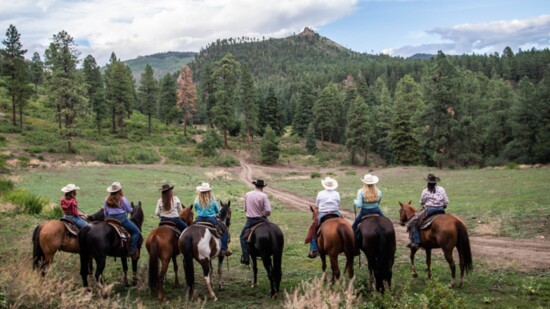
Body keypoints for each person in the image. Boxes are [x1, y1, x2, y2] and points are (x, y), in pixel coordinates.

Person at [407, 173, 449, 249]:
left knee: (413, 222)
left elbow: (422, 202)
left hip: (430, 210)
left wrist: (424, 204)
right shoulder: (442, 189)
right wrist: (443, 205)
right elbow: (446, 201)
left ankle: (416, 242)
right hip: (441, 210)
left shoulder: (425, 191)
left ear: (428, 183)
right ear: (436, 183)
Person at [103, 182, 141, 258]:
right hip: (121, 219)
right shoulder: (122, 199)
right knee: (136, 232)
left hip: (109, 218)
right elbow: (129, 210)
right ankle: (132, 250)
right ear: (119, 190)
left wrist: (107, 218)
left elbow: (105, 212)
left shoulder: (106, 199)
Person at [193, 182, 232, 257]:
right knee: (224, 232)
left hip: (199, 219)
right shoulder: (212, 200)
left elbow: (196, 209)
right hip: (211, 219)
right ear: (209, 191)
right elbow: (217, 210)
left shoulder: (196, 200)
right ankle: (223, 249)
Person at [240, 179, 271, 265]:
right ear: (262, 187)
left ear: (255, 185)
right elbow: (268, 210)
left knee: (242, 237)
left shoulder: (247, 194)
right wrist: (263, 213)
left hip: (251, 221)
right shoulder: (264, 196)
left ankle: (245, 257)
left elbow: (245, 209)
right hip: (262, 219)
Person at [308, 177, 341, 258]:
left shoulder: (320, 193)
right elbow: (338, 203)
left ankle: (314, 249)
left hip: (323, 214)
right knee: (347, 225)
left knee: (313, 229)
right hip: (335, 213)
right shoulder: (337, 193)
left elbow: (317, 205)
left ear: (324, 185)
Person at [352, 174, 384, 255]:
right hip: (377, 210)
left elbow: (359, 205)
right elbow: (378, 202)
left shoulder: (361, 191)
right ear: (374, 183)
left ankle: (355, 248)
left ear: (365, 183)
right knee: (386, 223)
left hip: (365, 211)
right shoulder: (378, 191)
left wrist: (354, 201)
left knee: (354, 227)